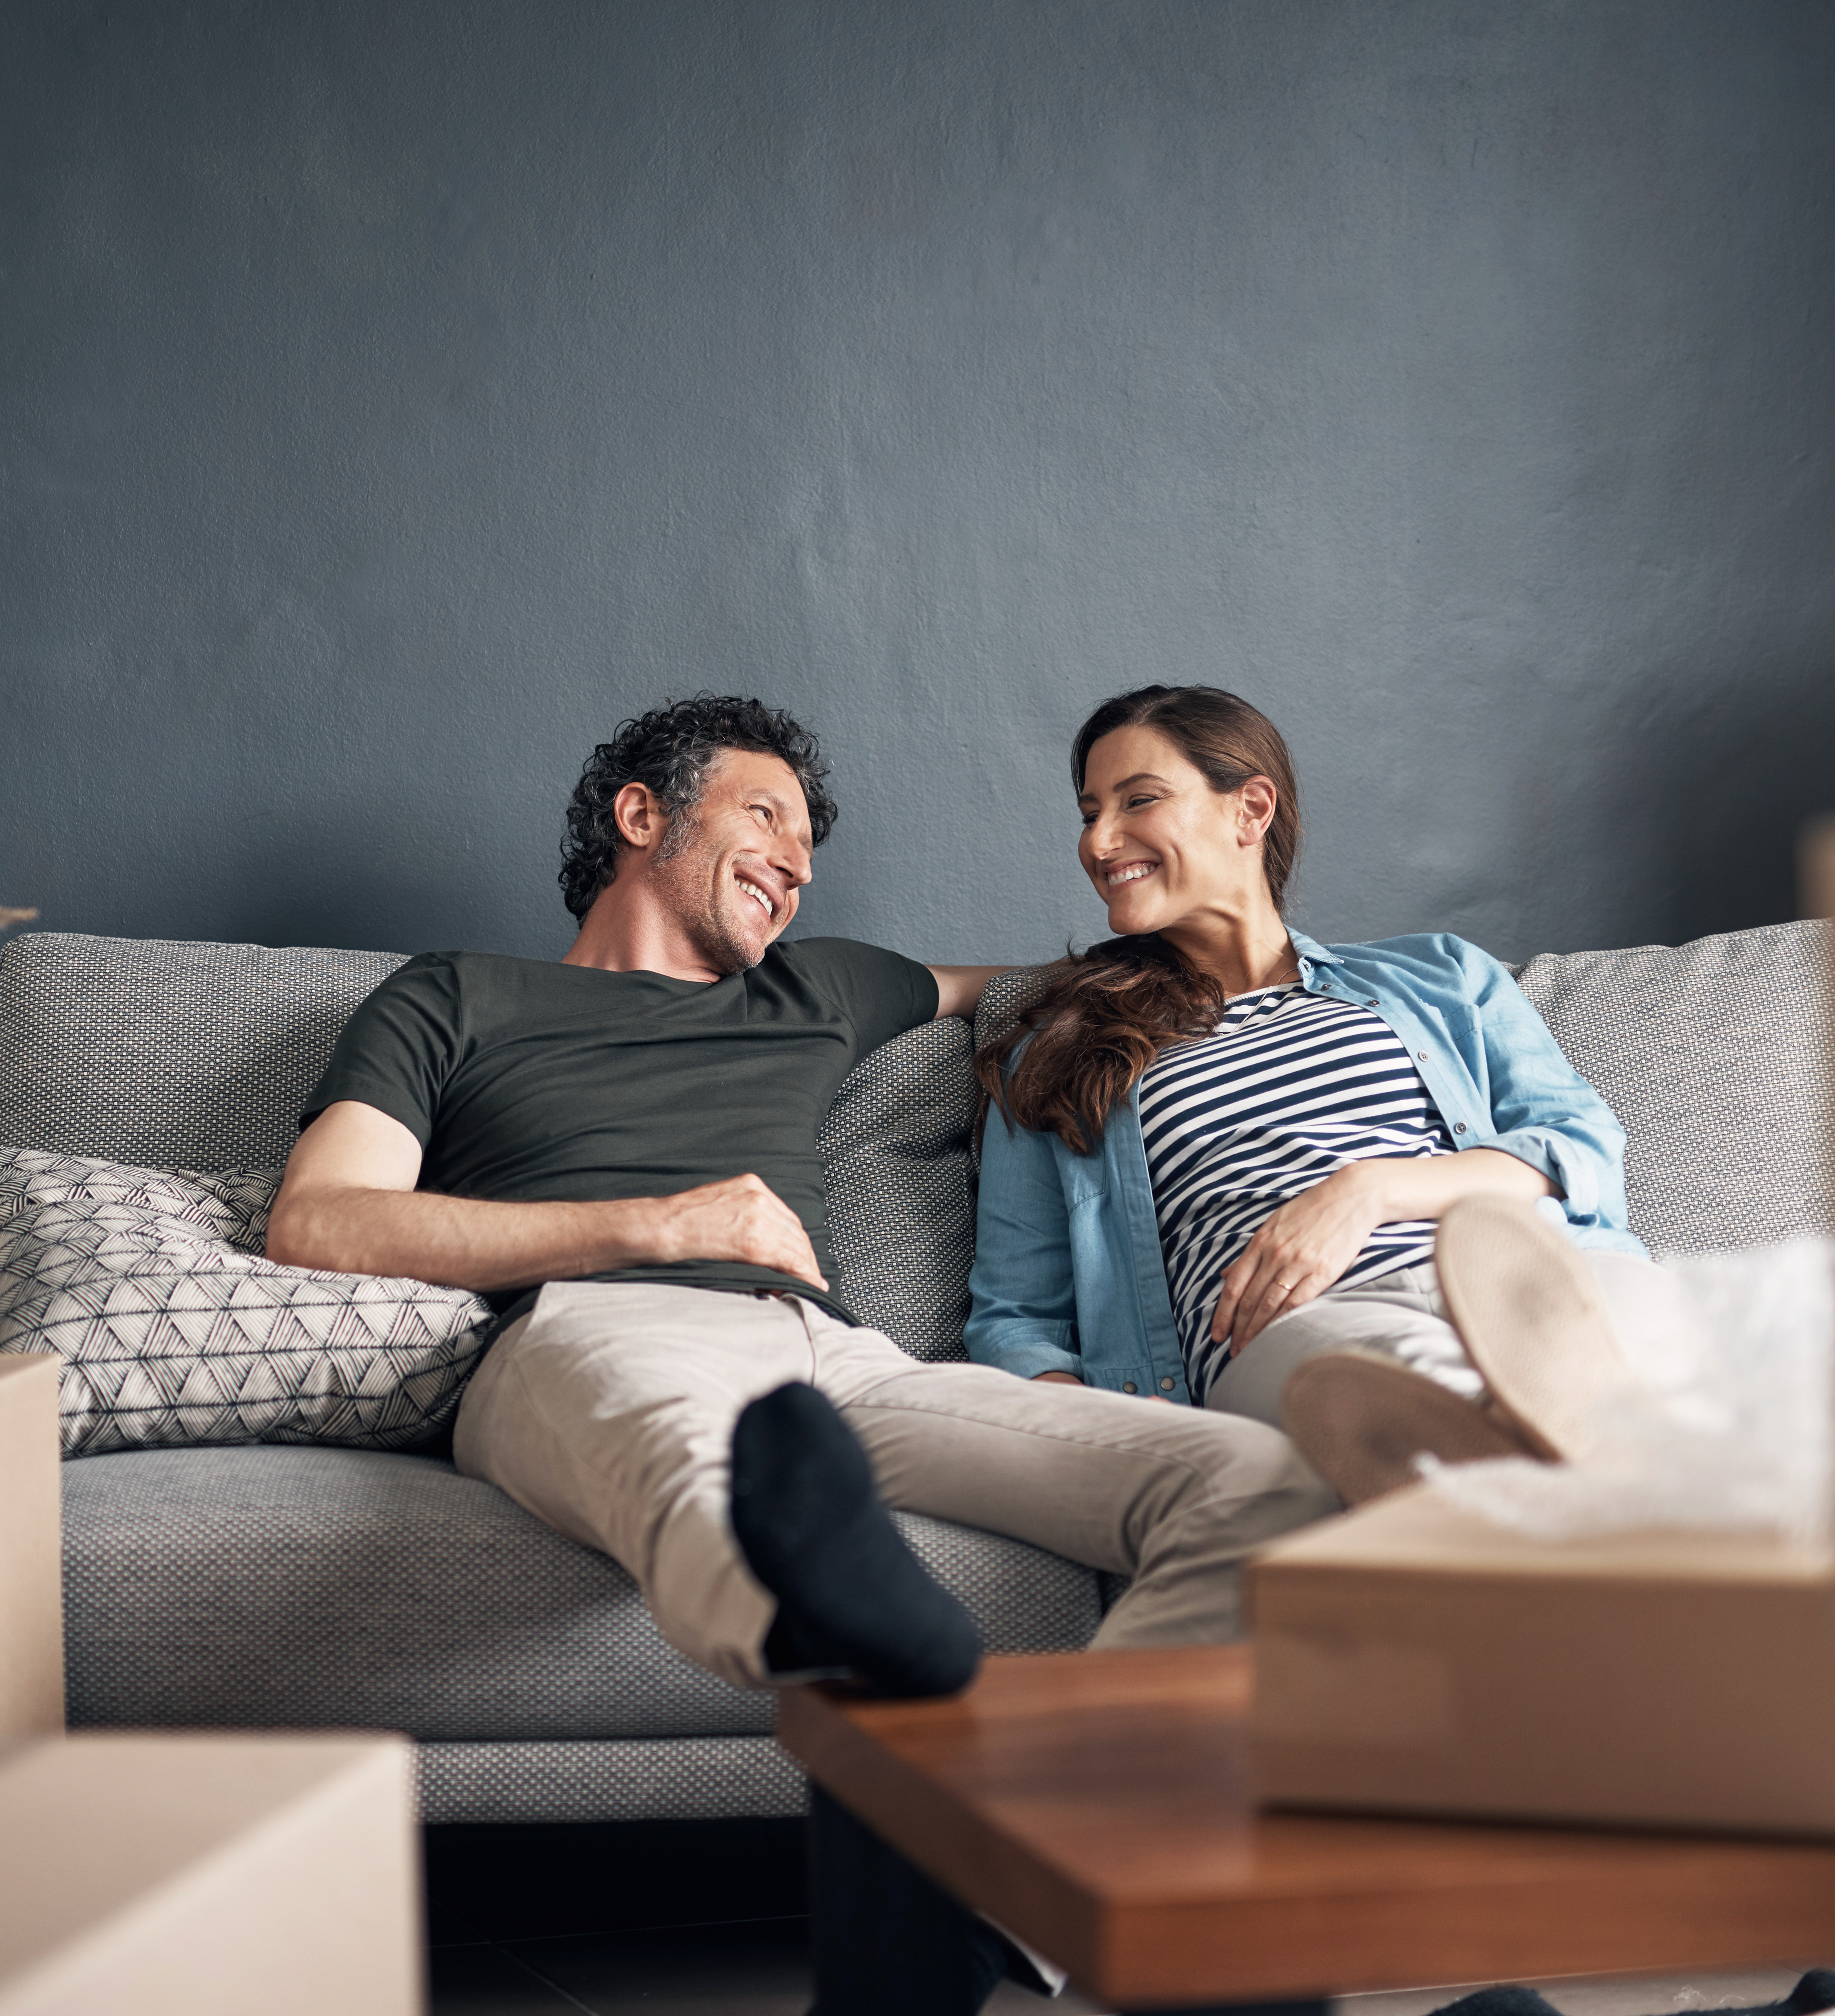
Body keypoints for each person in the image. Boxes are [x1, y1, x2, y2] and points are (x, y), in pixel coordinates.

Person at [266, 694, 1341, 1711]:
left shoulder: (816, 986)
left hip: (840, 1356)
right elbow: (319, 1221)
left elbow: (1047, 985)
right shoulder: (454, 994)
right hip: (590, 1328)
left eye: (806, 855)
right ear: (641, 813)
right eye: (765, 817)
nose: (793, 868)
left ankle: (1063, 1804)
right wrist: (654, 1224)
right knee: (698, 1475)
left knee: (1249, 1482)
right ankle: (821, 1611)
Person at [966, 684, 1683, 1502]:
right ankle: (1555, 1482)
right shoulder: (1060, 1051)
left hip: (1524, 1275)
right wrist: (1125, 1459)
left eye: (1139, 801)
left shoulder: (1439, 975)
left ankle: (1548, 1487)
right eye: (1089, 811)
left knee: (1660, 1356)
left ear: (1250, 810)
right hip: (1316, 1329)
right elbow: (1017, 1319)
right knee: (1423, 1401)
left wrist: (1368, 1190)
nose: (1099, 840)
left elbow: (1578, 1144)